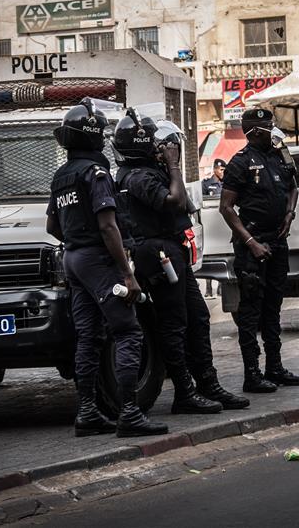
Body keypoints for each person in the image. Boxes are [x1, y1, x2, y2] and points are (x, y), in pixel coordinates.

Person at [46, 98, 167, 438]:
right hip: (98, 260)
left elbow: (52, 227)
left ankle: (87, 412)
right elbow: (109, 226)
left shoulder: (62, 176)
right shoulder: (95, 173)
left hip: (73, 260)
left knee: (88, 336)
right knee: (128, 331)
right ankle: (129, 412)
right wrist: (126, 274)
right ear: (92, 137)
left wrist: (76, 239)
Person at [114, 110, 249, 414]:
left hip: (172, 250)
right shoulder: (137, 177)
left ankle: (207, 384)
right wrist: (172, 165)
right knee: (173, 324)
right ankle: (184, 392)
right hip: (157, 254)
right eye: (161, 146)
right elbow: (173, 202)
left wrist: (171, 168)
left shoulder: (149, 172)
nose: (166, 150)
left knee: (198, 317)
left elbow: (186, 203)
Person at [219, 109, 299, 393]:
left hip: (277, 241)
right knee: (250, 311)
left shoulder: (279, 156)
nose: (274, 131)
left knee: (273, 307)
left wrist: (290, 213)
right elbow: (226, 207)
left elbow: (293, 188)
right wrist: (250, 242)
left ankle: (275, 367)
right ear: (255, 131)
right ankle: (252, 374)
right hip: (253, 246)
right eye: (269, 127)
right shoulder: (240, 163)